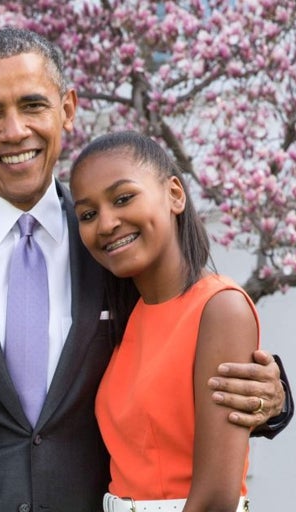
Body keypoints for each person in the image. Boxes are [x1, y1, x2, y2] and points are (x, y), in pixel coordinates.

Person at [0, 27, 293, 511]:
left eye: (33, 105)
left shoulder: (114, 242)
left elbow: (181, 335)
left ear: (67, 109)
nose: (15, 130)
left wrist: (270, 398)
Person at [70, 131, 258, 512]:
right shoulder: (129, 317)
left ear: (174, 194)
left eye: (123, 199)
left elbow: (215, 498)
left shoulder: (220, 308)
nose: (106, 223)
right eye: (88, 214)